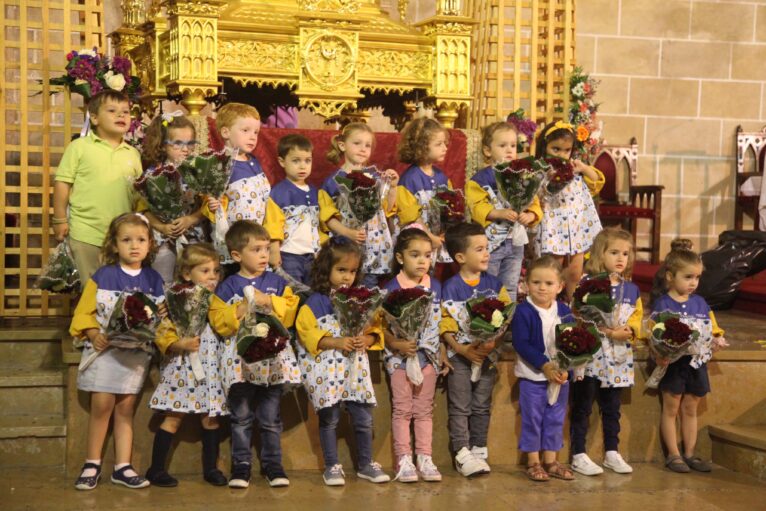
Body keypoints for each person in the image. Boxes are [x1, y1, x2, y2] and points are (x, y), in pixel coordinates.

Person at [70, 213, 165, 490]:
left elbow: (159, 318)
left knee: (125, 409)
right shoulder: (104, 275)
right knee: (101, 407)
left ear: (150, 244)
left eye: (140, 240)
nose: (134, 246)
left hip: (134, 357)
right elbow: (83, 311)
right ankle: (92, 463)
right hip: (106, 354)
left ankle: (123, 467)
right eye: (126, 240)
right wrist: (92, 333)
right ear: (114, 244)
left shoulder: (154, 279)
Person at [208, 221, 300, 488]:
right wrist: (241, 308)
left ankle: (273, 465)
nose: (263, 255)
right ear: (237, 255)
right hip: (241, 363)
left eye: (266, 249)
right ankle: (241, 466)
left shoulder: (276, 282)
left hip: (272, 362)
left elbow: (291, 311)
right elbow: (218, 320)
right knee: (241, 417)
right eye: (256, 250)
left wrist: (269, 301)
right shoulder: (228, 286)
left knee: (270, 418)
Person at [295, 237, 390, 486]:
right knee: (330, 418)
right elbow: (306, 332)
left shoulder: (360, 299)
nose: (348, 276)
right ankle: (331, 465)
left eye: (353, 271)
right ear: (326, 269)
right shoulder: (316, 302)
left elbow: (375, 328)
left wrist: (367, 339)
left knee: (363, 417)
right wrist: (334, 342)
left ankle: (366, 463)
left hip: (354, 369)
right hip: (328, 370)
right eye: (341, 270)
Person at [145, 243, 228, 487]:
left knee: (211, 419)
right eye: (205, 271)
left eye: (215, 271)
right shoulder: (175, 299)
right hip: (182, 367)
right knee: (173, 417)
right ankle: (156, 469)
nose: (212, 276)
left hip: (209, 368)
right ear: (186, 273)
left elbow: (225, 322)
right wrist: (178, 344)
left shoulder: (214, 300)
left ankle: (211, 469)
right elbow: (163, 331)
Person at [440, 222, 511, 477]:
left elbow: (506, 315)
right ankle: (462, 452)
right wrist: (461, 349)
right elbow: (445, 322)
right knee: (461, 406)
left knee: (482, 405)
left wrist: (494, 340)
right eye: (479, 249)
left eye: (486, 248)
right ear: (460, 257)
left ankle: (479, 448)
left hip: (487, 356)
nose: (486, 254)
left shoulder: (494, 284)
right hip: (461, 357)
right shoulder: (450, 287)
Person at [570, 227, 642, 476]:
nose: (621, 258)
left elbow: (637, 317)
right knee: (583, 405)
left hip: (618, 356)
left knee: (612, 407)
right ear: (600, 254)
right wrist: (607, 331)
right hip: (590, 353)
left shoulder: (630, 289)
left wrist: (630, 330)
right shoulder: (587, 284)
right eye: (614, 252)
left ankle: (612, 451)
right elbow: (577, 313)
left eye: (625, 253)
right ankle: (578, 453)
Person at [52, 90, 143, 283]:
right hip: (86, 232)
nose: (121, 115)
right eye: (112, 110)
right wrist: (59, 219)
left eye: (126, 112)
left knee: (117, 289)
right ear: (94, 118)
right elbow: (62, 183)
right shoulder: (79, 147)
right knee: (91, 290)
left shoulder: (133, 153)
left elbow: (138, 194)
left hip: (122, 236)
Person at [651, 244, 726, 473]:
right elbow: (655, 334)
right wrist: (660, 353)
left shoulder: (700, 303)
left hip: (696, 364)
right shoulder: (663, 303)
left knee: (691, 408)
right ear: (670, 277)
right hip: (674, 363)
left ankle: (690, 453)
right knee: (671, 408)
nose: (693, 282)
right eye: (688, 277)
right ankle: (673, 455)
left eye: (697, 277)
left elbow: (710, 328)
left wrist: (715, 340)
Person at [383, 227, 448, 483]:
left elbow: (440, 322)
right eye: (415, 255)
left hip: (428, 358)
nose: (422, 261)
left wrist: (441, 349)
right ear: (400, 258)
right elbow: (381, 327)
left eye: (427, 255)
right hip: (400, 359)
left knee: (424, 410)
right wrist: (396, 344)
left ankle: (424, 456)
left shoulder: (436, 286)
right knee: (402, 410)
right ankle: (403, 459)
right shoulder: (391, 287)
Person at [511, 255, 575, 482]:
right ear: (526, 284)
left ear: (560, 286)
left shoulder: (565, 311)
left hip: (560, 378)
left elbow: (574, 343)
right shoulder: (524, 311)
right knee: (533, 419)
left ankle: (551, 461)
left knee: (556, 419)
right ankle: (533, 462)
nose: (542, 288)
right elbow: (522, 343)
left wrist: (568, 370)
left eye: (549, 283)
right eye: (536, 282)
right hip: (534, 378)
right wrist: (544, 365)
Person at [466, 121, 542, 300]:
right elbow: (476, 206)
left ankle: (508, 320)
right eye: (502, 145)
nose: (509, 150)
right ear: (487, 150)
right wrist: (497, 213)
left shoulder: (524, 176)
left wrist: (530, 215)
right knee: (488, 284)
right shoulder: (480, 179)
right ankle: (487, 316)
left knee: (510, 285)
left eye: (513, 146)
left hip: (515, 242)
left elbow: (534, 203)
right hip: (491, 243)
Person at [321, 122, 399, 287]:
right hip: (348, 243)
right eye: (357, 143)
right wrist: (348, 233)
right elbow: (328, 217)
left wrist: (392, 188)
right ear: (342, 145)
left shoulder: (375, 177)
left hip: (375, 245)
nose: (363, 149)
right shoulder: (334, 181)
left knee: (369, 286)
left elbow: (386, 209)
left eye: (367, 145)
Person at [534, 121, 604, 298]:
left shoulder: (574, 168)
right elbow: (537, 194)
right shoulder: (540, 169)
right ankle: (552, 304)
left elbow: (596, 181)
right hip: (554, 227)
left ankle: (572, 307)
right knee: (553, 269)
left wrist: (584, 168)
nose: (561, 155)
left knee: (575, 272)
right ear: (544, 147)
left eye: (566, 150)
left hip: (575, 226)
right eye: (555, 149)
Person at [138, 113, 207, 282]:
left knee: (195, 282)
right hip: (163, 240)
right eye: (178, 144)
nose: (185, 149)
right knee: (164, 281)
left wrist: (191, 219)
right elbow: (143, 210)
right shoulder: (152, 175)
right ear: (162, 145)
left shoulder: (199, 171)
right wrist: (162, 227)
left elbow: (206, 206)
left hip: (194, 237)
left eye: (190, 143)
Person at [205, 103, 270, 269]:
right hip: (234, 240)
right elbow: (209, 199)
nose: (253, 137)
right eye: (245, 130)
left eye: (256, 132)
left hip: (256, 238)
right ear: (226, 132)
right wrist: (212, 205)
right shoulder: (221, 164)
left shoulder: (254, 162)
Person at [263, 134, 332, 284]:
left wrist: (323, 248)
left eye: (307, 161)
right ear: (282, 162)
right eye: (296, 161)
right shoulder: (278, 192)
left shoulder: (316, 192)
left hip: (312, 255)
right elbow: (273, 224)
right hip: (289, 254)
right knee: (293, 292)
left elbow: (320, 225)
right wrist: (274, 251)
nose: (302, 166)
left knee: (312, 289)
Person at [396, 118, 454, 266]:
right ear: (421, 147)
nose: (445, 148)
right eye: (438, 144)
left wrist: (444, 233)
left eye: (445, 144)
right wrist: (429, 237)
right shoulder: (409, 179)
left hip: (437, 239)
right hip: (417, 243)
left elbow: (451, 209)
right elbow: (411, 217)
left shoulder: (442, 177)